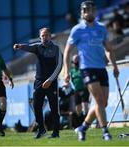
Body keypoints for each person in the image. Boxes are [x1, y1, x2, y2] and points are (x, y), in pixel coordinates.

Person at [63, 1, 119, 141]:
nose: (89, 12)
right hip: (87, 68)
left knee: (103, 103)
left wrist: (115, 66)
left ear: (95, 11)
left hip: (101, 68)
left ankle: (83, 127)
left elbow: (108, 49)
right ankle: (105, 131)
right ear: (82, 13)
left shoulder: (101, 28)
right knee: (99, 99)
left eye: (91, 10)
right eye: (85, 10)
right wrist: (66, 72)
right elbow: (67, 51)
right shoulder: (77, 29)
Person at [13, 27, 62, 139]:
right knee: (36, 106)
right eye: (42, 35)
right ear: (40, 37)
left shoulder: (56, 49)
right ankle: (42, 130)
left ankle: (56, 132)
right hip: (39, 82)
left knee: (54, 108)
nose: (45, 37)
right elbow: (28, 47)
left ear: (50, 36)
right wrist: (20, 46)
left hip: (52, 82)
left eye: (47, 35)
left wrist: (50, 80)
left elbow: (59, 66)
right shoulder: (37, 47)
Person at [70, 54, 90, 128]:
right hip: (76, 90)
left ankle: (87, 123)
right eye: (74, 62)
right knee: (78, 109)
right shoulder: (72, 71)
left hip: (84, 90)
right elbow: (72, 80)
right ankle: (80, 123)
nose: (75, 64)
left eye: (77, 62)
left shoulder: (82, 69)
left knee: (85, 107)